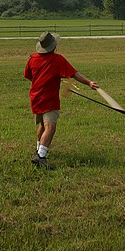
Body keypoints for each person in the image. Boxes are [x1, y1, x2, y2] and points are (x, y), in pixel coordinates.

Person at [24, 31, 99, 169]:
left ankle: (38, 148)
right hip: (49, 99)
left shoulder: (32, 59)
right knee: (50, 127)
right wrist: (89, 83)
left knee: (42, 124)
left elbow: (28, 76)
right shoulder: (58, 60)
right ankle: (41, 156)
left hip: (35, 98)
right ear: (53, 46)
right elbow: (75, 74)